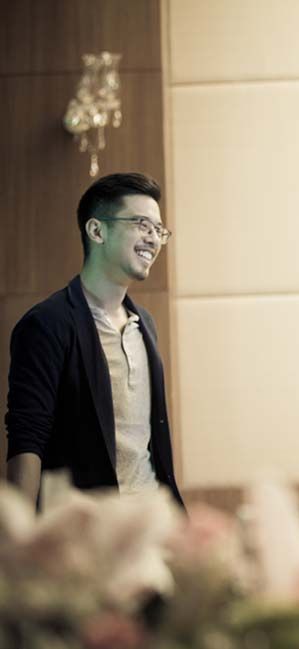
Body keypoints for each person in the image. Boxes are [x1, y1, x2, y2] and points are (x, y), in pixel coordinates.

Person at [5, 173, 183, 508]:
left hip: (150, 522)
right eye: (142, 224)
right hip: (87, 528)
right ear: (97, 231)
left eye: (158, 230)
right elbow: (28, 437)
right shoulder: (46, 324)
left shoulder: (144, 323)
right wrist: (21, 532)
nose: (153, 239)